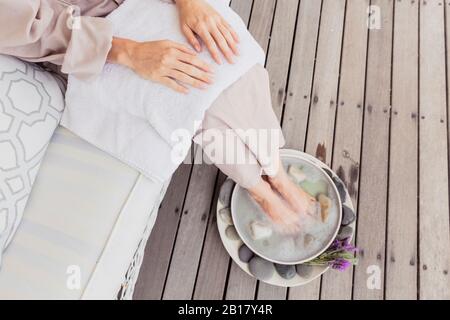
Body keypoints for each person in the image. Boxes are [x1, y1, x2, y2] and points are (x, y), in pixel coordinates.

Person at [0, 0, 318, 232]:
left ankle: (275, 170)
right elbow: (33, 29)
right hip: (94, 39)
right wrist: (129, 52)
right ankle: (259, 189)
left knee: (232, 53)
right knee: (193, 93)